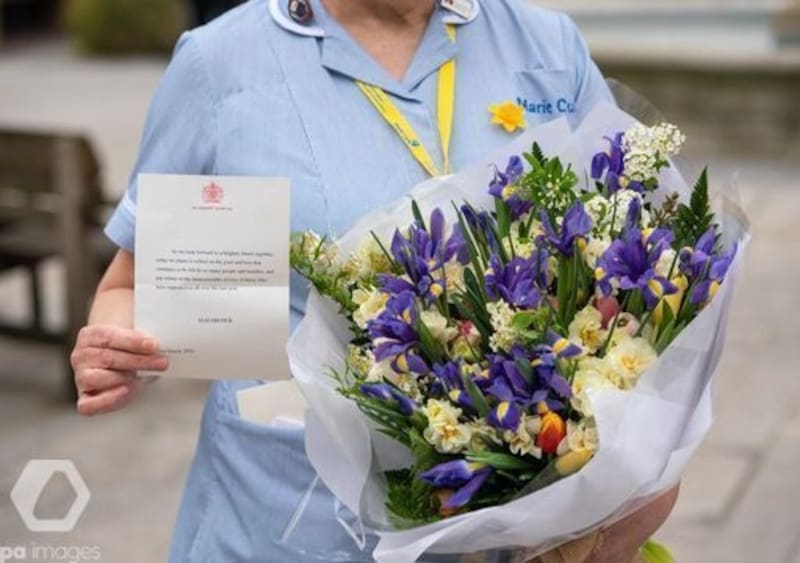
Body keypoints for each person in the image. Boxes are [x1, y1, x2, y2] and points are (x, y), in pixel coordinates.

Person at [69, 0, 679, 561]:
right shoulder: (220, 63)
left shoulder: (547, 46)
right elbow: (130, 286)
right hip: (286, 517)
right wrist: (122, 350)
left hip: (502, 523)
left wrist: (636, 460)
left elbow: (636, 253)